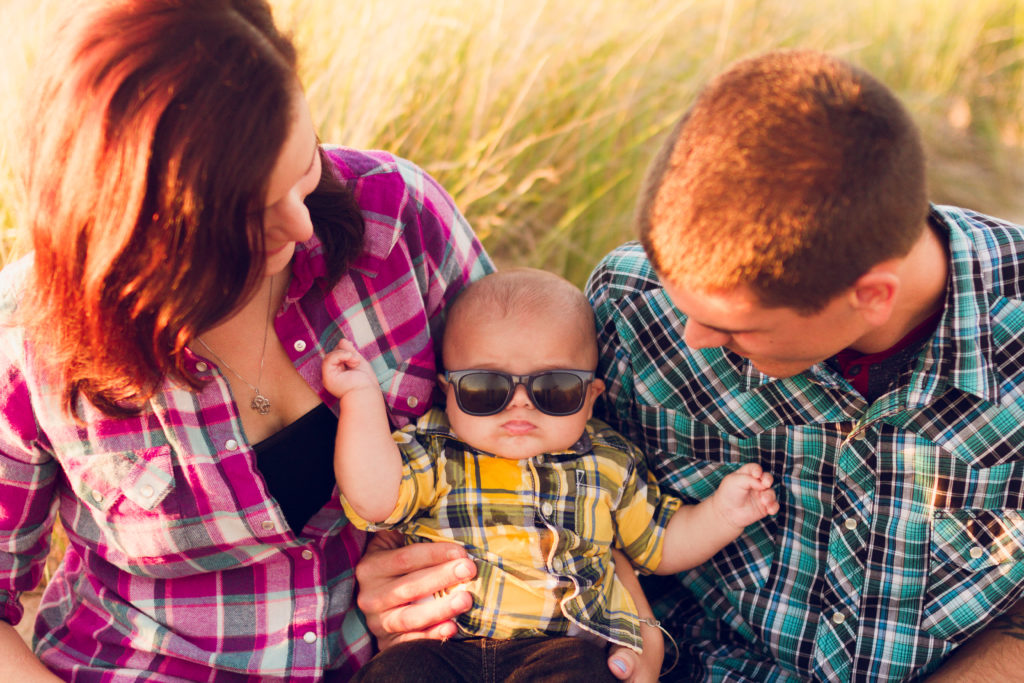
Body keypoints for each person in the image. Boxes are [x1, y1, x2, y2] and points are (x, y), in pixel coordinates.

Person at [0, 0, 493, 680]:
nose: (302, 226)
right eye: (255, 215)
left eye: (303, 168)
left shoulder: (400, 221)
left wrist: (412, 565)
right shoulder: (31, 337)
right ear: (140, 231)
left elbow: (549, 428)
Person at [582, 49, 1024, 681]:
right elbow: (570, 497)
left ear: (872, 295)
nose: (694, 338)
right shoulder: (633, 308)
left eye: (737, 327)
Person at [321, 268, 779, 682]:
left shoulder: (609, 461)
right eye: (487, 388)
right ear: (448, 391)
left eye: (553, 389)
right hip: (442, 647)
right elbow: (374, 498)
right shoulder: (437, 448)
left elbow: (660, 545)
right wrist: (361, 400)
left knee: (586, 673)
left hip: (561, 650)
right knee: (397, 673)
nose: (519, 403)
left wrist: (722, 514)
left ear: (592, 394)